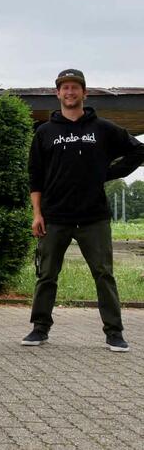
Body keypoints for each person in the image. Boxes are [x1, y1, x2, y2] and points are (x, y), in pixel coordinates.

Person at [23, 69, 144, 352]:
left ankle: (114, 332)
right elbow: (35, 177)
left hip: (94, 217)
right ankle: (39, 329)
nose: (69, 92)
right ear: (58, 94)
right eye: (64, 88)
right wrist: (37, 214)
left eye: (75, 88)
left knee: (104, 275)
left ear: (84, 93)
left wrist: (108, 172)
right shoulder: (45, 132)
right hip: (54, 217)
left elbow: (138, 151)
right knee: (47, 274)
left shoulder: (102, 128)